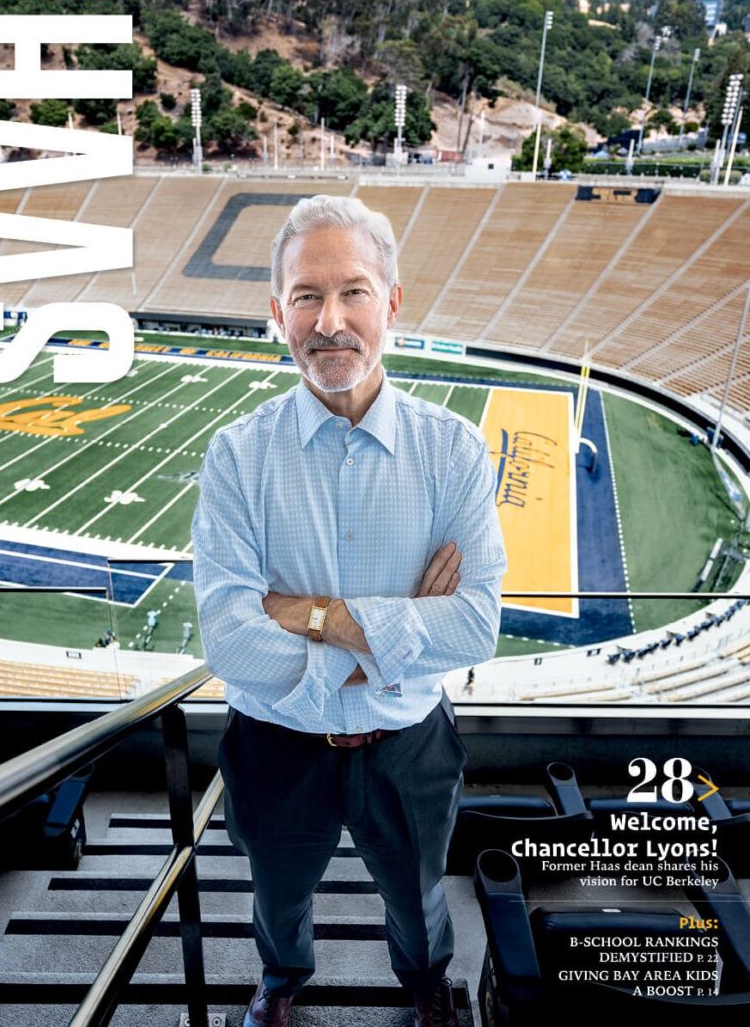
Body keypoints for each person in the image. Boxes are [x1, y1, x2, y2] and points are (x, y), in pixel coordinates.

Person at [192, 195, 507, 1027]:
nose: (329, 321)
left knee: (418, 893)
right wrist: (400, 630)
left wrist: (311, 617)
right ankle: (282, 978)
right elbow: (228, 638)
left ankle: (423, 978)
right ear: (277, 313)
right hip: (275, 743)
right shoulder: (236, 455)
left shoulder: (452, 451)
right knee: (276, 891)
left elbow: (475, 625)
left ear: (392, 301)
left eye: (353, 292)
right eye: (305, 296)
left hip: (405, 740)